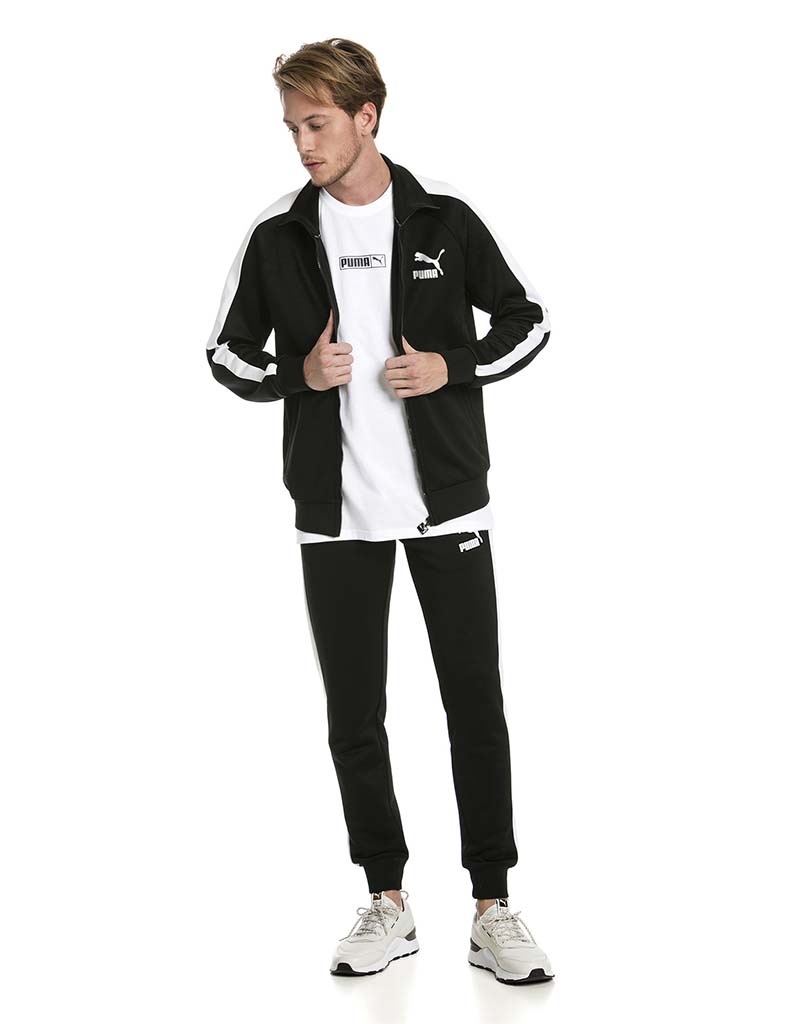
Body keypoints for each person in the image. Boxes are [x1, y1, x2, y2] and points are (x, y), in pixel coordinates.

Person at [205, 38, 554, 984]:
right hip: (336, 514)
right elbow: (225, 355)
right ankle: (387, 901)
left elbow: (529, 320)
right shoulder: (279, 235)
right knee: (354, 715)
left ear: (368, 117)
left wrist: (451, 366)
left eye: (318, 123)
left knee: (474, 704)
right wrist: (298, 374)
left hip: (447, 505)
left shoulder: (442, 216)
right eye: (292, 127)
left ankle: (493, 906)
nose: (303, 144)